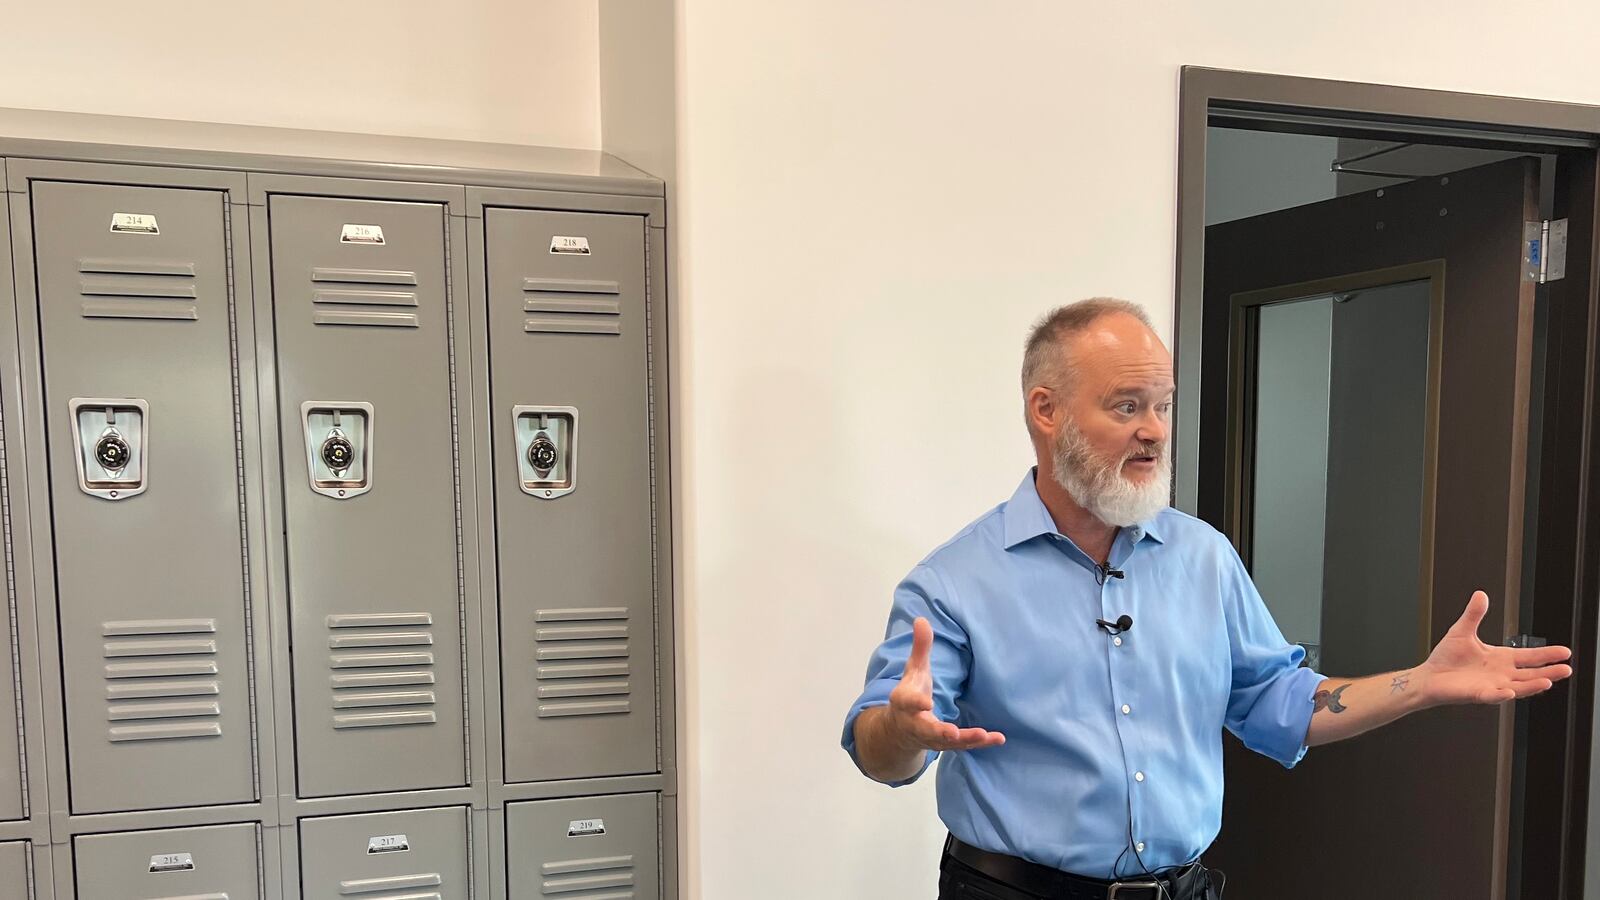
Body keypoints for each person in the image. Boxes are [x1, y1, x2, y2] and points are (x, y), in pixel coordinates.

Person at [841, 298, 1575, 900]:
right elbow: (880, 751)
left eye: (1162, 405)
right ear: (1046, 411)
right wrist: (905, 731)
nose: (1155, 430)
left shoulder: (1203, 558)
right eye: (1127, 405)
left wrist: (1422, 684)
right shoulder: (953, 583)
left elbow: (1276, 703)